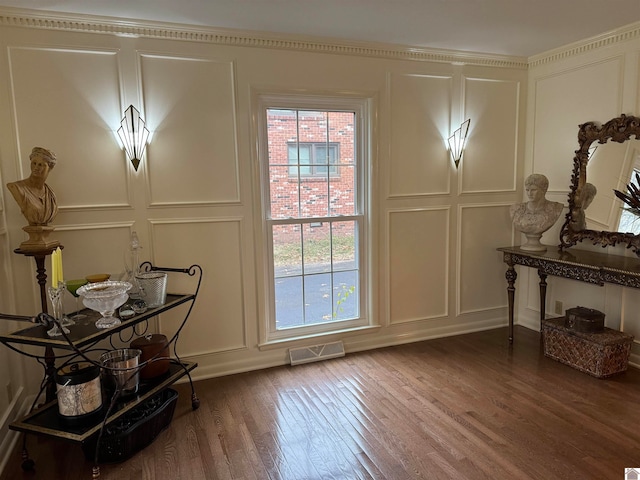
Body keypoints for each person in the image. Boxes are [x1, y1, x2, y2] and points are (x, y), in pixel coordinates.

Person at [6, 147, 58, 226]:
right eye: (34, 163)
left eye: (41, 165)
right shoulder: (16, 187)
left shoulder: (51, 194)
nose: (36, 167)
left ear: (50, 168)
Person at [510, 174, 563, 250]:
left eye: (533, 190)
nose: (529, 193)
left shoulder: (555, 208)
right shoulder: (516, 209)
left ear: (544, 190)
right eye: (527, 190)